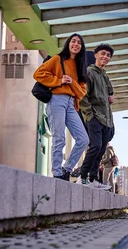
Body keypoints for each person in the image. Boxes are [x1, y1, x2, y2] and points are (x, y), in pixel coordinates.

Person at [33, 34, 89, 181]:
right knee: (59, 138)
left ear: (82, 47)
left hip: (71, 103)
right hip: (56, 100)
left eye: (79, 43)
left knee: (83, 139)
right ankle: (57, 173)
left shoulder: (80, 66)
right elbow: (38, 74)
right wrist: (58, 80)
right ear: (68, 44)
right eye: (73, 41)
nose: (76, 44)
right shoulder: (58, 59)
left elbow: (81, 92)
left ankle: (67, 169)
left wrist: (71, 82)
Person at [78, 43, 116, 188]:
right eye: (103, 54)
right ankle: (82, 177)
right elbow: (83, 95)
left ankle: (93, 180)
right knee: (95, 146)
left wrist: (110, 98)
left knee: (101, 150)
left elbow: (109, 94)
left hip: (106, 118)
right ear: (96, 55)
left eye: (108, 55)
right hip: (95, 116)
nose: (105, 57)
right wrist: (89, 115)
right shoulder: (90, 72)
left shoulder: (104, 76)